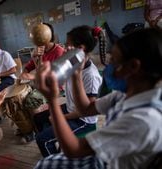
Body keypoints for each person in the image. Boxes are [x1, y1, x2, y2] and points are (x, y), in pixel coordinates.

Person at [34, 28, 162, 169]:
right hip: (109, 155)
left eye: (113, 60)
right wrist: (77, 75)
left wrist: (52, 101)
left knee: (44, 165)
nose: (108, 65)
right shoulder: (125, 93)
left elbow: (75, 149)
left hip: (108, 162)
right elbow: (85, 109)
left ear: (133, 66)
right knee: (44, 162)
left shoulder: (143, 120)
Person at [34, 25, 103, 157]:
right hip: (71, 108)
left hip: (83, 121)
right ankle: (54, 141)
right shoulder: (72, 63)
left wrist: (60, 117)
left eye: (67, 45)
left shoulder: (91, 76)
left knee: (41, 139)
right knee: (38, 118)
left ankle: (54, 159)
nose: (64, 49)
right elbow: (52, 78)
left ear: (80, 49)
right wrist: (37, 59)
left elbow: (86, 111)